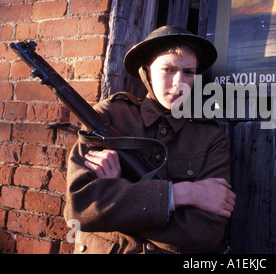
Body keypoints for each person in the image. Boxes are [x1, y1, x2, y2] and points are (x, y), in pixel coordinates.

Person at [64, 25, 236, 254]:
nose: (179, 83)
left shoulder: (209, 136)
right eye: (168, 69)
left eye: (188, 72)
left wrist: (116, 198)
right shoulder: (110, 116)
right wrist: (184, 194)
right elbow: (80, 208)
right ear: (147, 72)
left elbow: (204, 233)